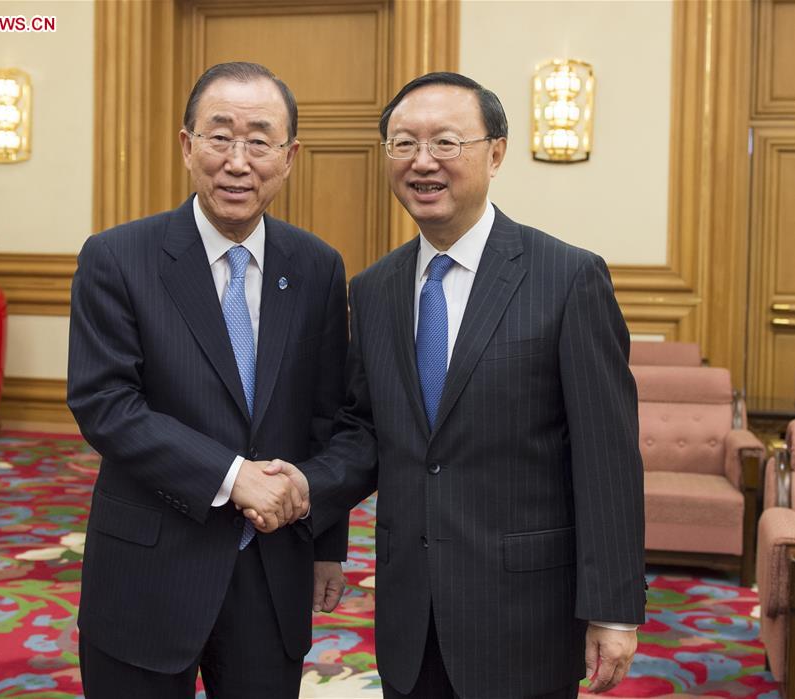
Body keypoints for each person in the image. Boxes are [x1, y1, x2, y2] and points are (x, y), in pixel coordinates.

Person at [252, 72, 646, 698]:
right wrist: (306, 487)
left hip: (524, 614)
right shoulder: (374, 290)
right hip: (410, 611)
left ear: (496, 152)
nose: (422, 161)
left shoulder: (566, 278)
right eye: (404, 144)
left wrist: (613, 610)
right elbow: (364, 431)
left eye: (445, 142)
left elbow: (607, 458)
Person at [67, 62, 349, 699]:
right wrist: (231, 475)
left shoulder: (318, 267)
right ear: (187, 145)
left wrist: (325, 544)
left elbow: (326, 417)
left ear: (289, 157)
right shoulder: (117, 257)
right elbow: (105, 403)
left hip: (272, 568)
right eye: (219, 136)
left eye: (260, 141)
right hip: (147, 568)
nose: (237, 162)